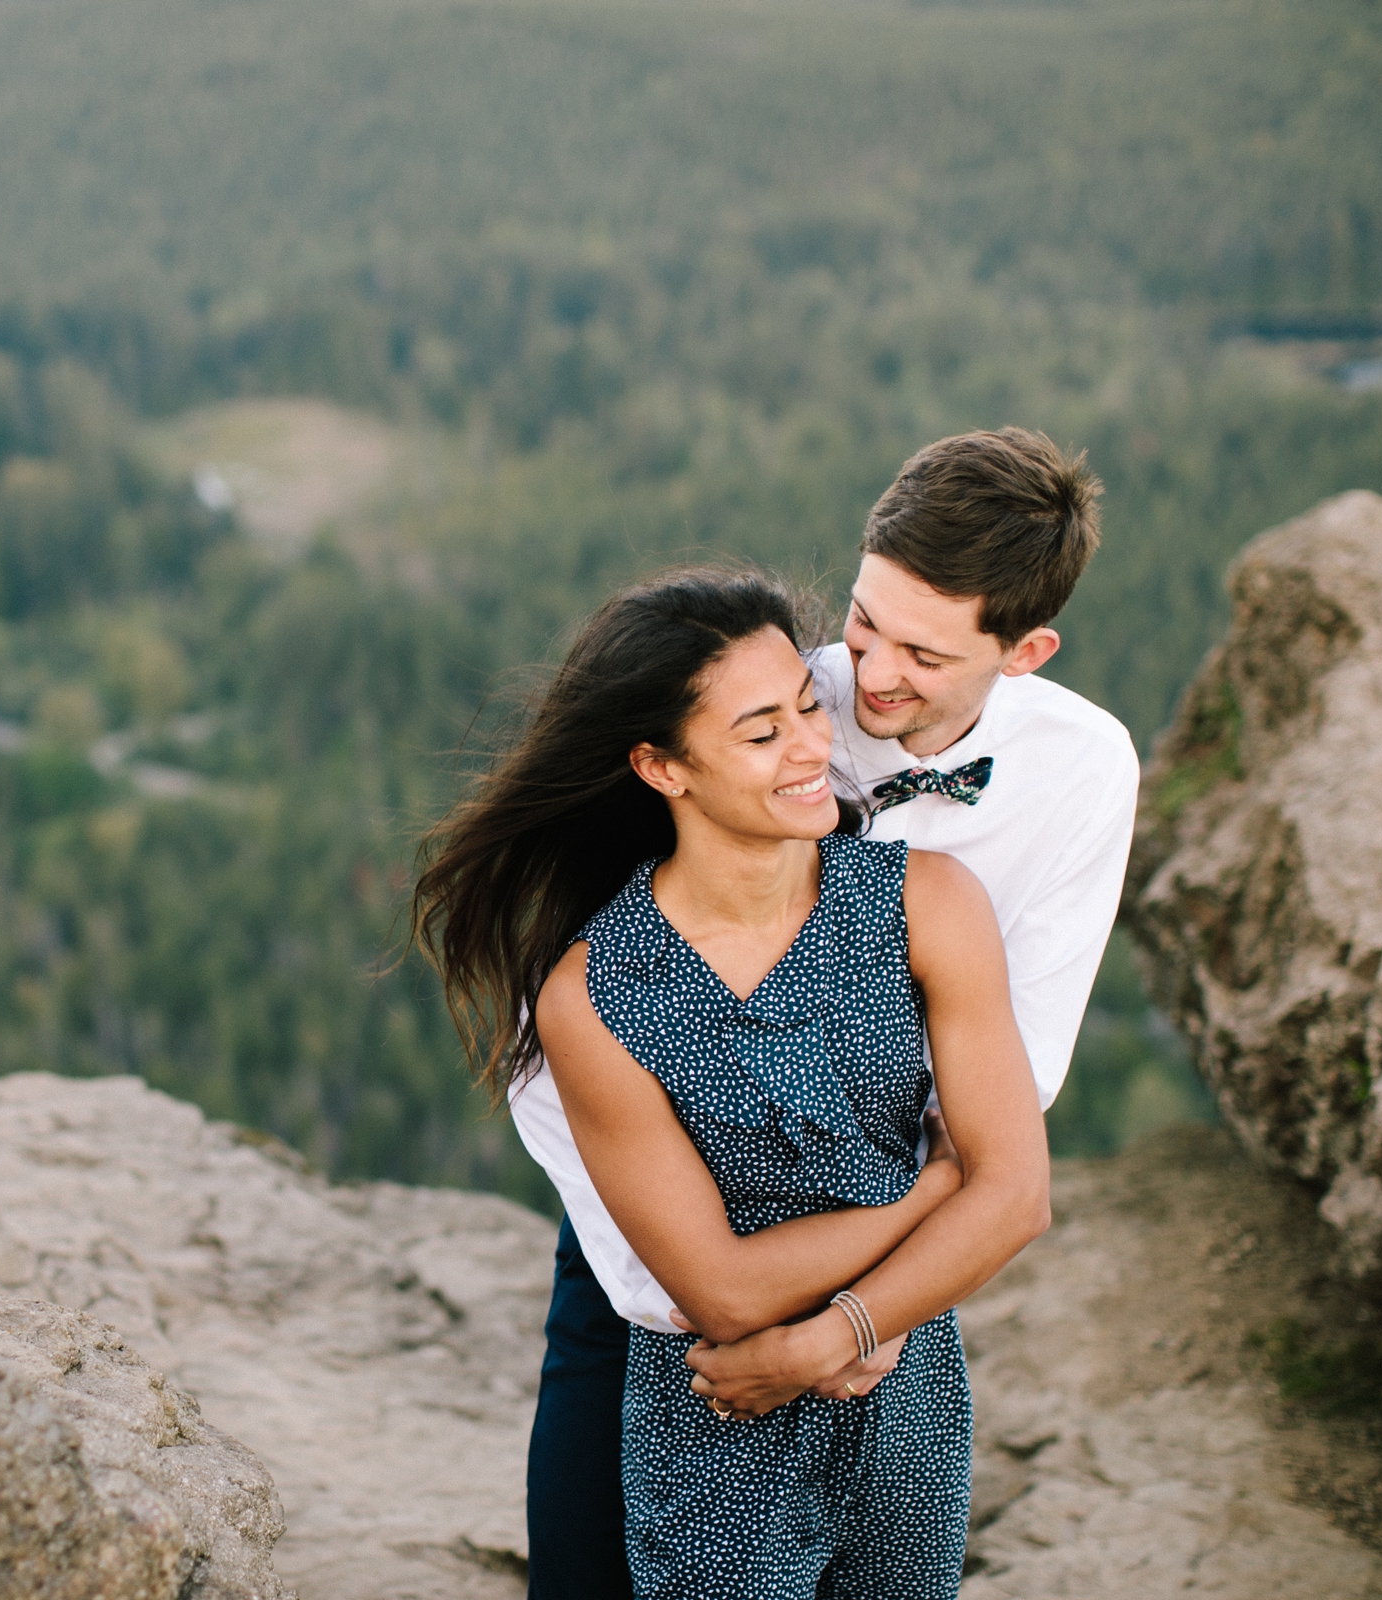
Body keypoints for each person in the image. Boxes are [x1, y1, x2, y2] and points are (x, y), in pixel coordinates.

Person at [504, 428, 1139, 1594]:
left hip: (889, 1205)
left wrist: (865, 1316)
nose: (868, 677)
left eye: (923, 653)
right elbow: (631, 969)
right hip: (659, 1224)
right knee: (589, 1562)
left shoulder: (1083, 770)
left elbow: (1012, 1099)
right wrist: (747, 1300)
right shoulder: (772, 703)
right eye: (864, 621)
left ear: (1027, 651)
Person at [413, 563, 1052, 1597]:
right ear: (662, 768)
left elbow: (1019, 1198)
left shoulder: (929, 902)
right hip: (719, 1432)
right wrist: (936, 1190)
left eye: (808, 707)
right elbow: (720, 1285)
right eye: (761, 734)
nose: (814, 750)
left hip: (908, 1408)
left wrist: (831, 1338)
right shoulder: (594, 994)